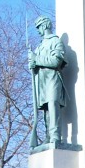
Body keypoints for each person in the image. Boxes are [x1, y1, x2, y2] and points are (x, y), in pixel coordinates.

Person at [29, 15, 67, 146]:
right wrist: (33, 64)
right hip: (42, 80)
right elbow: (36, 64)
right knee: (46, 108)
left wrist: (37, 59)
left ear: (45, 25)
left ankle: (56, 136)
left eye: (39, 27)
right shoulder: (39, 46)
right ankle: (48, 135)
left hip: (52, 78)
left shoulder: (55, 41)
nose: (38, 30)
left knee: (52, 103)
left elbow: (56, 61)